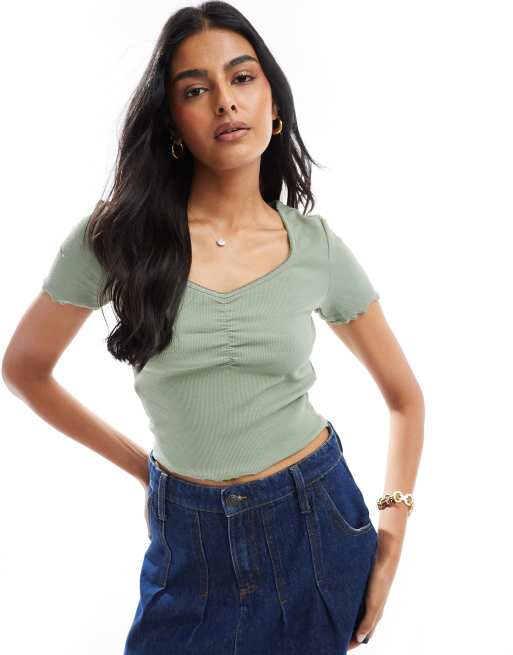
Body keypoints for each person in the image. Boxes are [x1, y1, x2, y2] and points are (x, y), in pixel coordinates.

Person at [2, 2, 424, 654]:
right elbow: (24, 369)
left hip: (315, 529)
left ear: (273, 103)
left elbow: (404, 397)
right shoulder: (113, 241)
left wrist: (392, 533)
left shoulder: (315, 248)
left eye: (242, 77)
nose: (225, 100)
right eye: (196, 90)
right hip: (187, 541)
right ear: (173, 120)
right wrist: (144, 470)